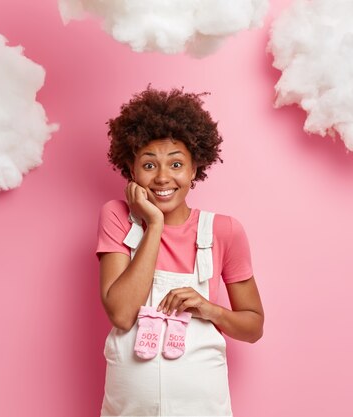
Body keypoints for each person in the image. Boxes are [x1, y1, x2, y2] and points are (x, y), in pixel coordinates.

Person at [96, 86, 264, 417]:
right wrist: (154, 224)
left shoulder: (224, 231)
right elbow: (121, 314)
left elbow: (254, 326)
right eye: (149, 165)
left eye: (176, 164)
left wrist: (210, 309)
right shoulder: (118, 217)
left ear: (193, 169)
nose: (162, 178)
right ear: (131, 168)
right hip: (129, 408)